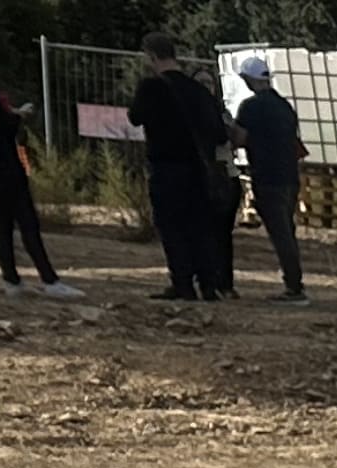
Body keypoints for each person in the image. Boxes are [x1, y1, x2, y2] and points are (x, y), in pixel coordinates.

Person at [0, 50, 77, 298]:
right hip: (2, 166)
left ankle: (11, 279)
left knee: (2, 222)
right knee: (26, 220)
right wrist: (16, 116)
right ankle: (49, 280)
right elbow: (3, 126)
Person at [123, 33, 233, 302]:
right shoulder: (197, 90)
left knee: (172, 226)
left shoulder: (151, 87)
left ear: (151, 56)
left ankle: (182, 283)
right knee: (200, 226)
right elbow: (219, 133)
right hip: (199, 169)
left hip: (166, 165)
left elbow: (135, 118)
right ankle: (209, 284)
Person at [231, 53, 307, 301]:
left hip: (266, 175)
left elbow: (239, 139)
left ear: (248, 79)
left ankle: (294, 287)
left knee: (280, 233)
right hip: (289, 176)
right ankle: (294, 282)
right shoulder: (284, 106)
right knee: (287, 229)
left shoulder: (250, 107)